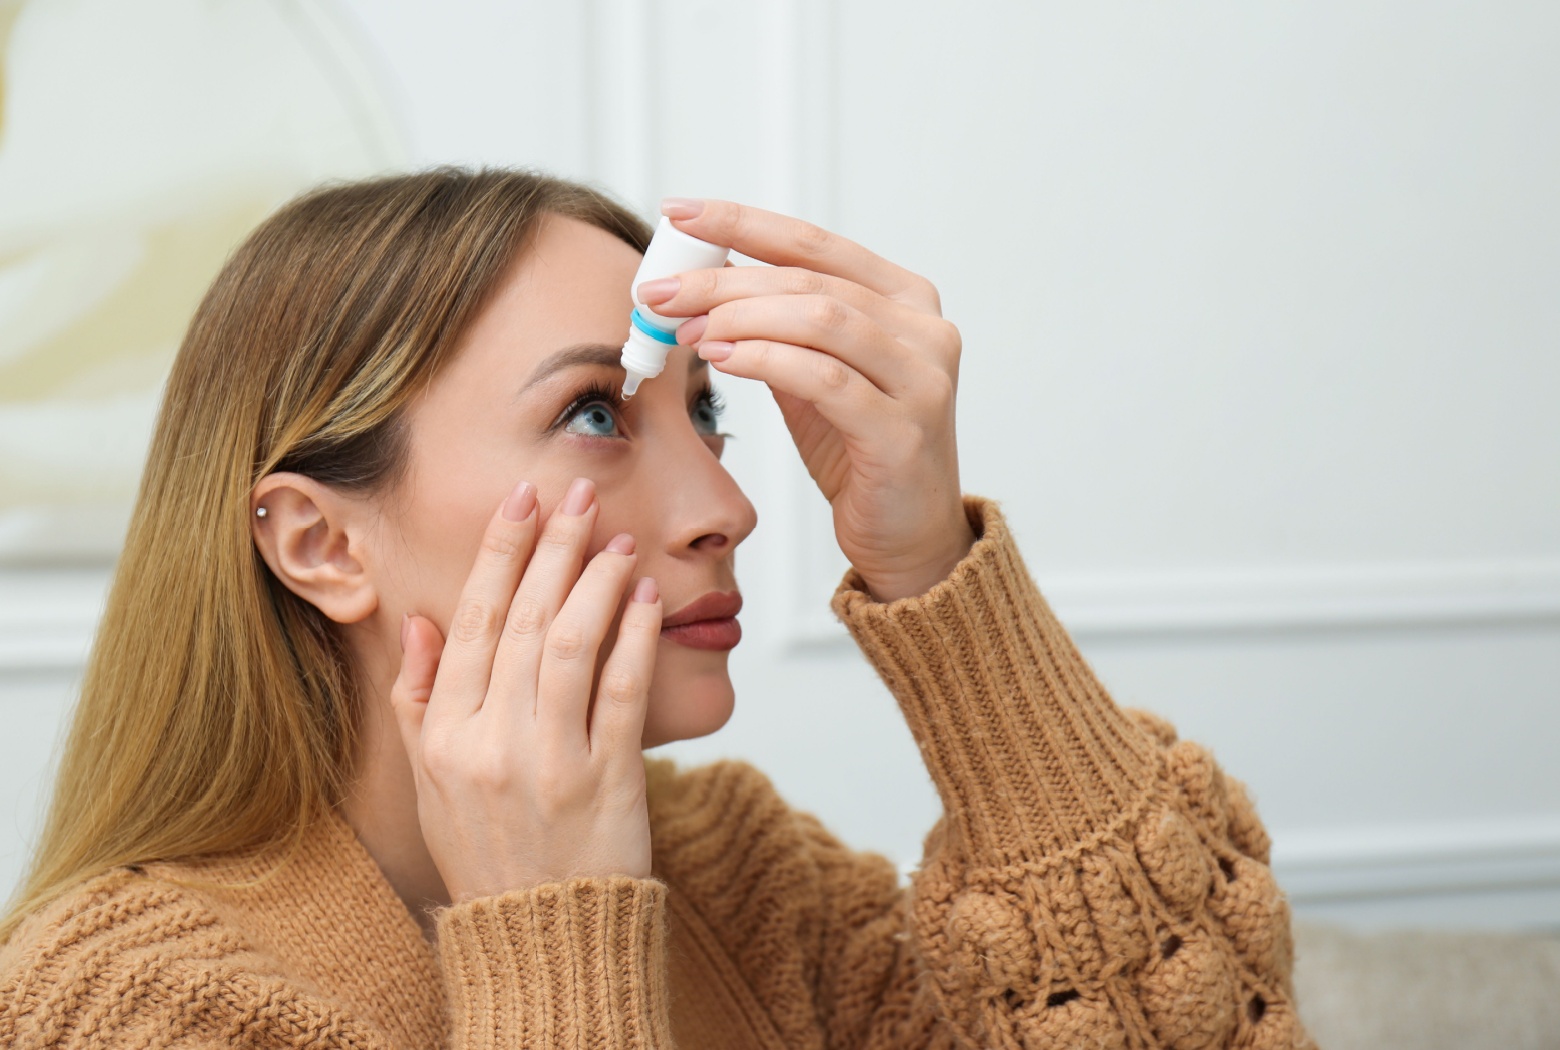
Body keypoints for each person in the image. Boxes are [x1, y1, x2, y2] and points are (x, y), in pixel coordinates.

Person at [0, 168, 1314, 1048]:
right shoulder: (118, 1000)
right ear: (320, 541)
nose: (727, 508)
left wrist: (940, 584)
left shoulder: (743, 875)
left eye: (710, 414)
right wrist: (555, 926)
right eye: (593, 414)